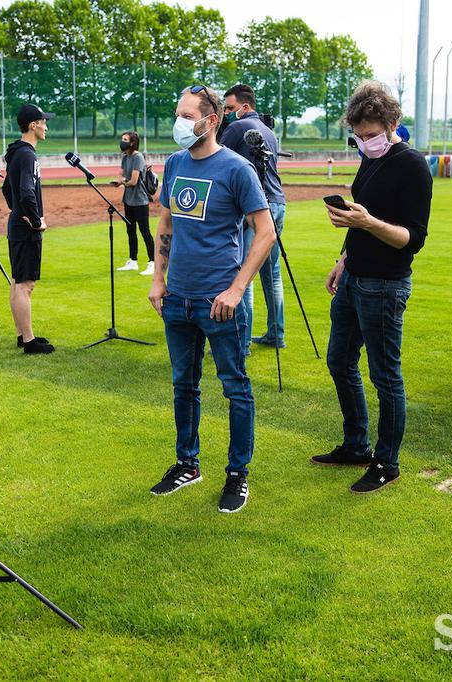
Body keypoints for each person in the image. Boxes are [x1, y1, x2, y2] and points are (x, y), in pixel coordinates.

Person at [147, 85, 276, 514]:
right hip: (177, 298)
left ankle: (238, 474)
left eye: (187, 115)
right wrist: (158, 278)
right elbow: (166, 221)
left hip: (220, 302)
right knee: (184, 384)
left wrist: (237, 289)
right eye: (178, 114)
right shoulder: (175, 163)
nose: (180, 123)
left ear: (212, 120)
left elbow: (266, 232)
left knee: (235, 387)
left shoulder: (238, 169)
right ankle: (187, 463)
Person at [313, 81, 432, 494]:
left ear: (392, 124)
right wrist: (342, 259)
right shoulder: (370, 158)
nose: (365, 143)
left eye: (371, 135)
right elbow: (363, 212)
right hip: (354, 277)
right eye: (358, 136)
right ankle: (356, 445)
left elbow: (412, 238)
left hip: (385, 284)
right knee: (339, 361)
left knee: (386, 376)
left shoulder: (412, 165)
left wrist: (367, 223)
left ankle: (387, 462)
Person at [219, 83, 288, 352]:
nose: (226, 113)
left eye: (230, 108)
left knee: (244, 274)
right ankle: (276, 333)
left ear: (245, 107)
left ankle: (242, 341)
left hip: (255, 207)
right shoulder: (269, 132)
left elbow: (220, 159)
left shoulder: (237, 128)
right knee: (272, 274)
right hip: (278, 202)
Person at [3, 104, 55, 354]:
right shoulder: (27, 155)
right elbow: (25, 190)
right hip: (26, 229)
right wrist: (35, 220)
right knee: (26, 285)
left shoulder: (17, 153)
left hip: (17, 225)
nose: (46, 126)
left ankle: (23, 334)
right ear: (33, 125)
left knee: (18, 282)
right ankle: (29, 341)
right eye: (44, 121)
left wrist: (17, 211)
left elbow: (7, 189)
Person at [111, 131, 155, 276]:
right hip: (128, 200)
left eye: (125, 139)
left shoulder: (138, 157)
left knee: (145, 231)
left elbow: (134, 181)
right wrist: (120, 180)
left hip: (140, 201)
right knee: (130, 231)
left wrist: (122, 182)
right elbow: (121, 174)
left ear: (132, 143)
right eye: (121, 139)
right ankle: (133, 261)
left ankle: (152, 262)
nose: (121, 141)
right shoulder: (125, 157)